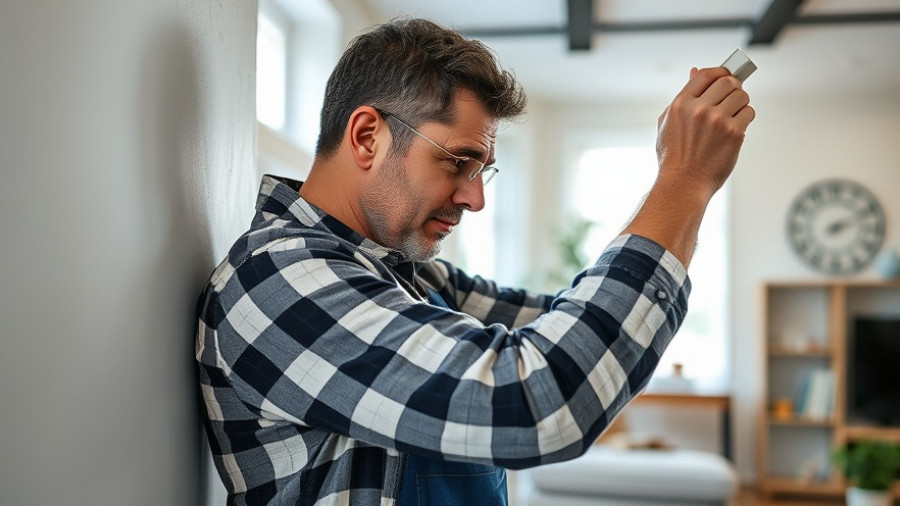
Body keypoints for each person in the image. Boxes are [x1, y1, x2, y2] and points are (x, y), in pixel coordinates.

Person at [196, 17, 754, 506]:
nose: (475, 198)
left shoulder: (410, 277)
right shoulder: (276, 279)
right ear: (368, 136)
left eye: (481, 169)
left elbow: (577, 333)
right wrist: (683, 183)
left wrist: (681, 179)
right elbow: (539, 401)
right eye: (457, 161)